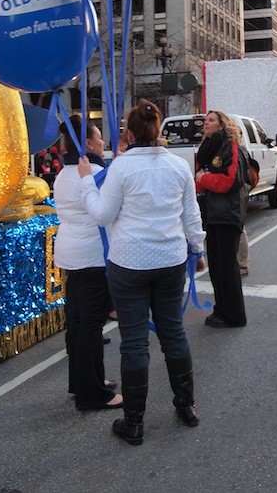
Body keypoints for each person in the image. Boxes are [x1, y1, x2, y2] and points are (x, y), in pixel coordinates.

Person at [78, 99, 206, 446]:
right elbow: (191, 215)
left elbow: (102, 215)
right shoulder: (178, 165)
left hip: (129, 262)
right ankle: (187, 405)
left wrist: (87, 183)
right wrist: (198, 249)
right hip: (169, 259)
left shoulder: (121, 168)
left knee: (134, 342)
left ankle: (134, 422)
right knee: (173, 334)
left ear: (131, 133)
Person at [53, 115, 122, 412]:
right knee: (90, 325)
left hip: (71, 253)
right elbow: (108, 211)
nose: (104, 142)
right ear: (90, 143)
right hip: (93, 255)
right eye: (99, 136)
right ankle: (91, 393)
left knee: (79, 322)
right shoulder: (94, 173)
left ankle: (84, 381)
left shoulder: (62, 173)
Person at [195, 110, 248, 329]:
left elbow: (230, 181)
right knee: (216, 268)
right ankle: (221, 310)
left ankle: (234, 316)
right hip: (213, 215)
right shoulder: (206, 149)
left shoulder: (231, 147)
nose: (206, 123)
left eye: (211, 120)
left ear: (222, 125)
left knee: (227, 268)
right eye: (205, 120)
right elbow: (200, 181)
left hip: (228, 214)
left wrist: (204, 179)